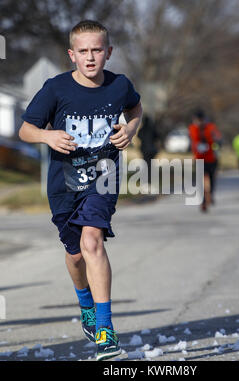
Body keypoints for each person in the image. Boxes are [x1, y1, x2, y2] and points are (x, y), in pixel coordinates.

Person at [18, 20, 143, 361]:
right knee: (75, 255)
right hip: (64, 183)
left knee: (92, 241)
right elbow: (26, 130)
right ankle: (85, 301)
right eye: (84, 51)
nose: (91, 58)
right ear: (72, 54)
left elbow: (135, 107)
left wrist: (130, 129)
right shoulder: (56, 89)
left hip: (103, 177)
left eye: (97, 50)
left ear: (109, 52)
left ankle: (105, 331)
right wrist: (48, 136)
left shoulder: (120, 85)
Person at [188, 110, 222, 212]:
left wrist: (216, 142)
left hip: (211, 158)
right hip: (199, 158)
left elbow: (218, 138)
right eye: (196, 120)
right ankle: (203, 202)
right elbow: (191, 141)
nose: (198, 122)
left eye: (200, 120)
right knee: (200, 181)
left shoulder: (211, 128)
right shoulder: (192, 129)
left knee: (211, 179)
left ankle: (210, 194)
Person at [137, 114, 159, 189]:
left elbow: (139, 136)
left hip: (145, 151)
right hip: (152, 151)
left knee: (145, 166)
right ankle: (149, 181)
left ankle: (145, 181)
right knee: (150, 166)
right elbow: (157, 136)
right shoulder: (152, 128)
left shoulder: (142, 129)